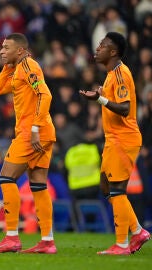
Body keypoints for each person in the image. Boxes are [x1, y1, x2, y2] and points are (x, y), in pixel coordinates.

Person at [79, 32, 150, 255]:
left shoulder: (120, 73)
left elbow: (125, 108)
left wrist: (99, 99)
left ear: (113, 52)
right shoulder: (111, 75)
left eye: (102, 45)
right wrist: (102, 94)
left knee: (117, 189)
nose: (97, 48)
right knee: (106, 186)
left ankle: (121, 244)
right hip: (113, 139)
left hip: (123, 138)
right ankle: (138, 231)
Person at [0, 33, 57, 254]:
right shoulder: (18, 68)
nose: (1, 51)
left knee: (6, 177)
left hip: (31, 133)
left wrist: (34, 128)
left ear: (20, 50)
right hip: (42, 133)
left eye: (6, 48)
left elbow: (46, 96)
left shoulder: (29, 66)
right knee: (38, 185)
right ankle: (47, 240)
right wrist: (8, 66)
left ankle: (12, 237)